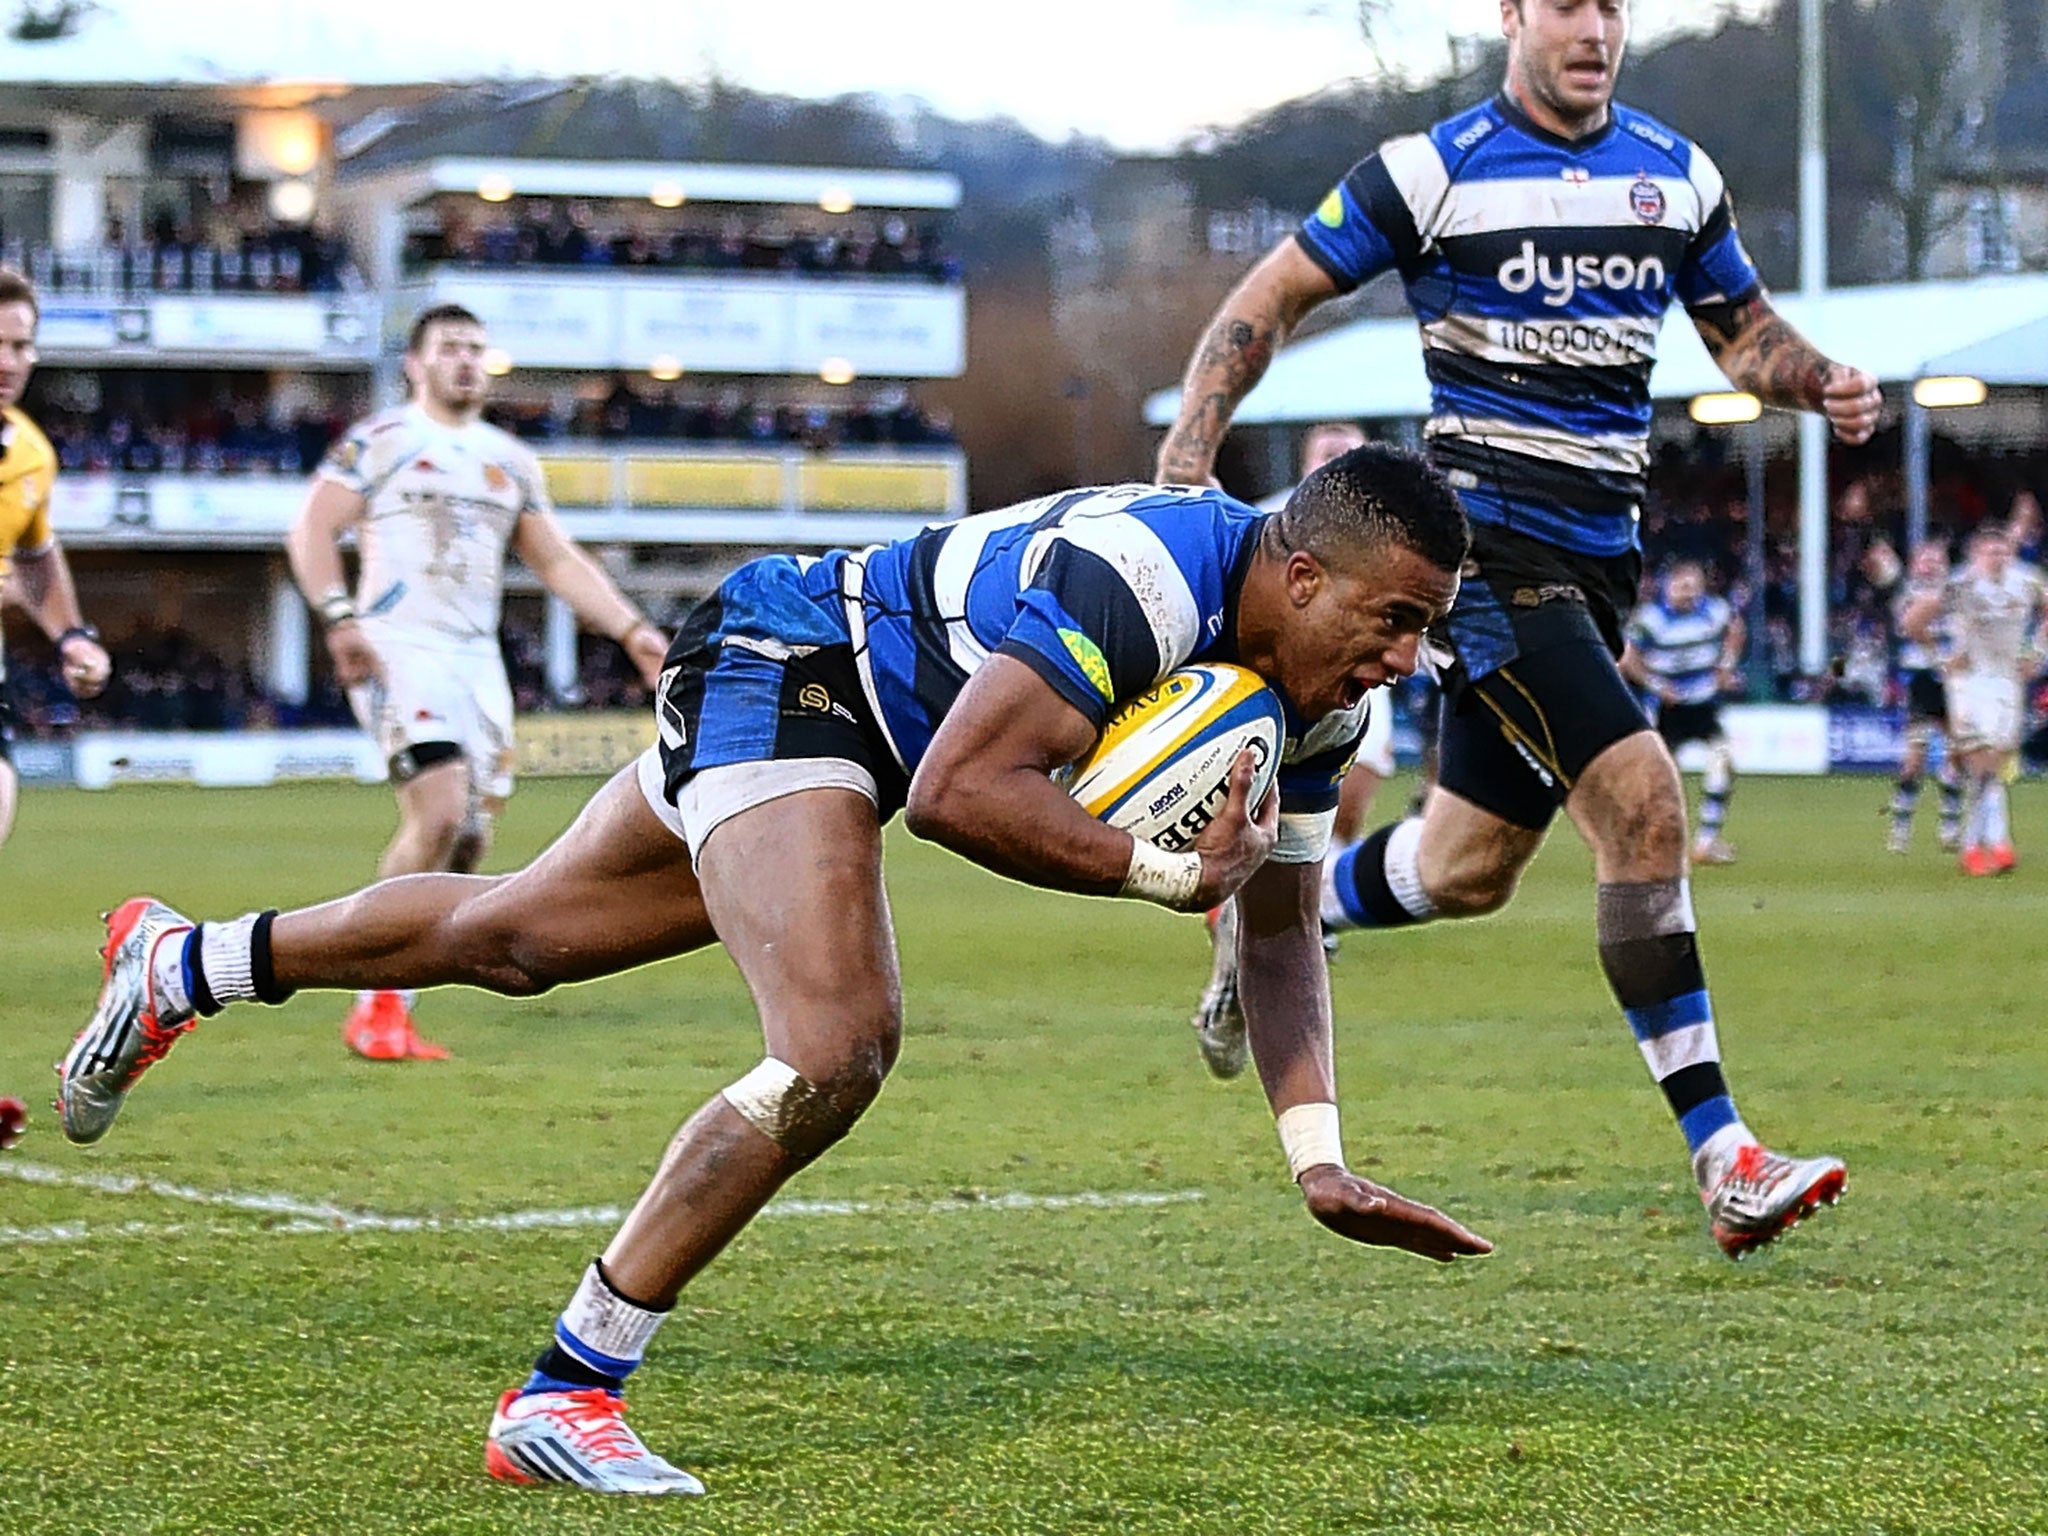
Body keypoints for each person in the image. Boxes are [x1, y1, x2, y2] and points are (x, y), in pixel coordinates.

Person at [60, 448, 1492, 1496]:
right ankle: (568, 1391)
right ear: (1302, 575)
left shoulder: (1313, 702)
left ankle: (182, 961)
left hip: (853, 726)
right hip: (794, 659)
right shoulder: (1147, 575)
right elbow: (960, 790)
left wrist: (1319, 1159)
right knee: (837, 1041)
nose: (1410, 658)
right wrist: (1172, 874)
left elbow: (1287, 928)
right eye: (1396, 620)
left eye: (1425, 629)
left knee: (515, 937)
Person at [1154, 0, 1878, 1257]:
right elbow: (1269, 298)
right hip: (1480, 554)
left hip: (1599, 563)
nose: (1591, 26)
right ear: (1511, 17)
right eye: (1565, 3)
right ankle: (1726, 1158)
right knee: (1642, 799)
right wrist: (1187, 448)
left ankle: (1280, 911)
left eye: (1610, 5)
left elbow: (1737, 334)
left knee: (1461, 873)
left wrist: (1816, 379)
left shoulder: (1672, 172)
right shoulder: (1430, 172)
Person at [289, 303, 669, 1059]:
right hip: (400, 643)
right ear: (415, 363)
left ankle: (391, 1003)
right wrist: (339, 617)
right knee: (436, 810)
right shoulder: (381, 441)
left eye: (475, 349)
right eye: (449, 348)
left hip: (475, 658)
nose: (465, 361)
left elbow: (558, 561)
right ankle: (373, 1006)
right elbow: (310, 529)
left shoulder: (509, 461)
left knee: (468, 838)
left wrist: (634, 631)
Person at [1194, 420, 1398, 1073]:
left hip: (1370, 679)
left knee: (1352, 803)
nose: (1336, 459)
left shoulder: (1391, 531)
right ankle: (1258, 928)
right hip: (1281, 682)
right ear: (1309, 460)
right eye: (1326, 451)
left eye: (1348, 451)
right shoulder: (1276, 518)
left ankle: (1298, 915)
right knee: (1271, 814)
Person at [0, 266, 111, 853]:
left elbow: (35, 555)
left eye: (19, 344)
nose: (7, 361)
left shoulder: (31, 453)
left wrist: (71, 635)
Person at [1900, 524, 2046, 875]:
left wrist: (2037, 652)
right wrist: (1941, 658)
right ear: (1976, 554)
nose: (1997, 557)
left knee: (1995, 762)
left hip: (2008, 680)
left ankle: (1981, 844)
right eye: (1990, 551)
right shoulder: (1960, 584)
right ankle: (1990, 846)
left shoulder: (2026, 580)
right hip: (1970, 681)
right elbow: (1913, 621)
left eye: (2003, 551)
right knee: (1981, 760)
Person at [1620, 561, 1744, 865]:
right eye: (1682, 587)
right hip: (1667, 709)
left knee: (1723, 762)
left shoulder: (1713, 611)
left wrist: (1726, 665)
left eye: (1693, 587)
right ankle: (1646, 842)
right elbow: (1626, 658)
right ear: (1668, 586)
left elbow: (1736, 629)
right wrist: (1656, 684)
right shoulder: (1651, 620)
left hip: (1703, 704)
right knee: (1659, 779)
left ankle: (1705, 842)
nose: (1688, 594)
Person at [1878, 541, 1963, 854]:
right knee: (1915, 757)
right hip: (1922, 680)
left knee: (1957, 754)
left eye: (1936, 559)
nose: (1931, 564)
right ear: (1915, 564)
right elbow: (1909, 625)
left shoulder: (1958, 593)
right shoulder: (1907, 593)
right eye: (1925, 559)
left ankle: (1950, 825)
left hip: (1954, 681)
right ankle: (1901, 826)